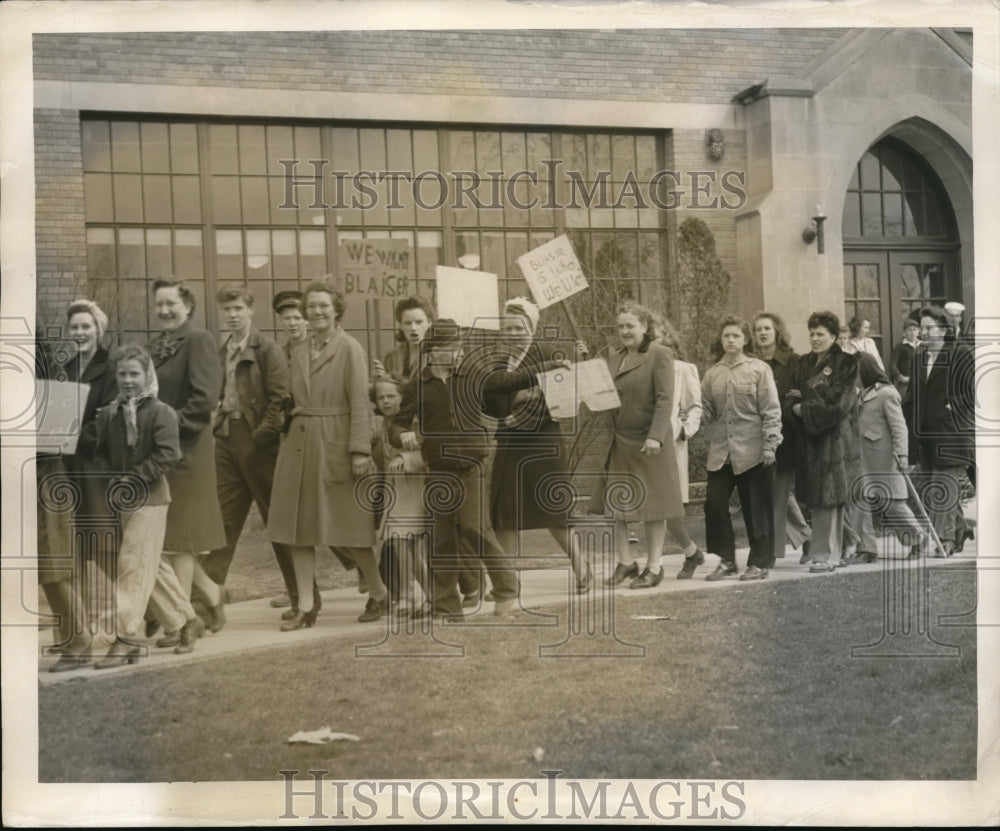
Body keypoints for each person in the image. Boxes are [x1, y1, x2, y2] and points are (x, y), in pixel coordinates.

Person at [389, 320, 549, 617]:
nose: (458, 353)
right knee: (443, 538)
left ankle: (505, 589)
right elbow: (397, 424)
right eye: (452, 348)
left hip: (472, 466)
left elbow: (505, 381)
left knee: (475, 528)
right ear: (434, 352)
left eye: (459, 347)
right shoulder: (417, 388)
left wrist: (545, 368)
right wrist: (402, 435)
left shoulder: (471, 375)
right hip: (439, 470)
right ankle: (446, 606)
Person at [268, 281, 389, 629]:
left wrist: (360, 450)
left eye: (323, 306)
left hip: (337, 445)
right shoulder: (298, 350)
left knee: (352, 530)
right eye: (311, 306)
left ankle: (378, 592)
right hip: (299, 449)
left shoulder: (350, 348)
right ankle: (306, 605)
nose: (316, 312)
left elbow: (360, 403)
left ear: (336, 310)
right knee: (297, 531)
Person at [200, 286, 314, 623]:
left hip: (260, 443)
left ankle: (302, 599)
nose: (232, 314)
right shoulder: (224, 350)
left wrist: (261, 438)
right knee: (222, 523)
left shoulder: (267, 350)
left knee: (277, 524)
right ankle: (205, 602)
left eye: (238, 308)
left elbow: (280, 400)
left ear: (251, 311)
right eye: (226, 309)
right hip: (227, 441)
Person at [589, 301, 705, 587]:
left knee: (654, 507)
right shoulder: (616, 358)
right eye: (620, 326)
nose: (624, 331)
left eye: (630, 325)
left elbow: (666, 399)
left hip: (648, 441)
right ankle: (627, 563)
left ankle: (654, 567)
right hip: (621, 440)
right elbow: (606, 397)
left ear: (644, 326)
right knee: (618, 504)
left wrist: (655, 436)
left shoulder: (659, 354)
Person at [484, 297, 590, 593]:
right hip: (510, 444)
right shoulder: (498, 361)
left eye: (519, 327)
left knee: (553, 512)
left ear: (531, 327)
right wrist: (516, 400)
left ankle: (582, 568)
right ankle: (507, 581)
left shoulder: (546, 353)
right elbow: (489, 398)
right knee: (505, 514)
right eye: (508, 328)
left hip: (543, 443)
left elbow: (560, 399)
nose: (514, 333)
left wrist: (522, 410)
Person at [91, 345, 182, 668]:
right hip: (124, 501)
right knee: (151, 567)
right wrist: (113, 478)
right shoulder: (111, 413)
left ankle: (125, 638)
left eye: (134, 374)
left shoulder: (161, 412)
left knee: (132, 566)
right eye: (122, 374)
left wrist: (134, 478)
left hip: (152, 500)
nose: (128, 380)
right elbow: (100, 453)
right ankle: (184, 621)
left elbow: (169, 454)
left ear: (147, 376)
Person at [146, 279, 225, 650]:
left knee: (179, 539)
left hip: (189, 450)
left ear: (187, 306)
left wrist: (164, 426)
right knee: (171, 539)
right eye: (159, 304)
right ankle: (210, 594)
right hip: (162, 451)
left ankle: (180, 623)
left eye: (171, 304)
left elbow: (205, 398)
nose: (164, 311)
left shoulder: (199, 340)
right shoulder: (155, 346)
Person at [700, 316, 781, 581]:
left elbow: (771, 410)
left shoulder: (759, 370)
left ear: (745, 339)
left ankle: (759, 563)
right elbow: (707, 411)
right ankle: (726, 561)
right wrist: (693, 412)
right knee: (714, 504)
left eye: (736, 336)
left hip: (754, 450)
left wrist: (770, 445)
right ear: (721, 340)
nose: (731, 340)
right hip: (722, 453)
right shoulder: (712, 374)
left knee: (756, 508)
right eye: (726, 336)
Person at [785, 311, 861, 574]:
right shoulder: (803, 363)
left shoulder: (846, 363)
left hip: (835, 442)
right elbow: (789, 394)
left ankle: (824, 556)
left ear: (833, 336)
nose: (815, 339)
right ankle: (845, 544)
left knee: (828, 499)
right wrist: (798, 405)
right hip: (809, 441)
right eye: (812, 334)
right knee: (819, 500)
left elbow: (839, 405)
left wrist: (804, 405)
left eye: (820, 334)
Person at [903, 305, 975, 557]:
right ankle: (960, 529)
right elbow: (911, 396)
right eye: (921, 328)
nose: (922, 332)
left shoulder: (961, 353)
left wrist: (951, 407)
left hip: (952, 434)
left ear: (944, 330)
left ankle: (943, 538)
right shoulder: (919, 357)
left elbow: (974, 392)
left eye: (928, 328)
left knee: (942, 487)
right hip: (925, 437)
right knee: (941, 487)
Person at [849, 352, 928, 564]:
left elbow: (899, 427)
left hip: (884, 459)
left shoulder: (886, 393)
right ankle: (866, 549)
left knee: (892, 502)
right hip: (862, 458)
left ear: (864, 371)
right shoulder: (860, 394)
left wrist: (903, 454)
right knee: (859, 501)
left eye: (854, 371)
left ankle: (918, 538)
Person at [370, 374, 432, 614]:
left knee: (404, 543)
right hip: (392, 492)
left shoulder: (414, 422)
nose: (385, 401)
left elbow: (428, 454)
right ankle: (428, 594)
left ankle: (409, 594)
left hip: (413, 488)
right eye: (380, 397)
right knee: (404, 545)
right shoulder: (381, 425)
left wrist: (404, 457)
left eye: (391, 396)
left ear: (403, 397)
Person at [753, 311, 812, 563]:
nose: (762, 333)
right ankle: (807, 538)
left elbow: (807, 392)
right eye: (758, 330)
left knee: (777, 492)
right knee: (774, 493)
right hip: (756, 436)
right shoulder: (752, 362)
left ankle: (775, 551)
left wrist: (796, 400)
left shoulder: (795, 361)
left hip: (786, 437)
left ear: (777, 331)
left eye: (767, 328)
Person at [655, 317, 702, 506]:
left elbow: (695, 405)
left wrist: (684, 429)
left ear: (666, 338)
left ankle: (680, 537)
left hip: (671, 440)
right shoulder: (639, 368)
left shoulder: (682, 369)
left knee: (670, 501)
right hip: (643, 442)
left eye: (656, 336)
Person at [373, 295, 435, 382]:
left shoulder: (437, 355)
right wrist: (379, 379)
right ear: (400, 325)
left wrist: (389, 380)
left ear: (429, 323)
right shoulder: (392, 357)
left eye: (419, 322)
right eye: (407, 323)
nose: (413, 328)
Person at [273, 290, 309, 365]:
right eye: (287, 318)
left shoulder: (318, 353)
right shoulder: (276, 356)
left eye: (297, 318)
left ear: (306, 319)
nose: (292, 323)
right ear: (280, 320)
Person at [889, 316, 920, 398]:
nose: (912, 333)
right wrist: (900, 377)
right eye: (909, 330)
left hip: (919, 381)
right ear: (904, 332)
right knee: (904, 402)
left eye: (914, 330)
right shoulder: (900, 346)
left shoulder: (922, 345)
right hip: (905, 383)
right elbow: (893, 364)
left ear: (918, 331)